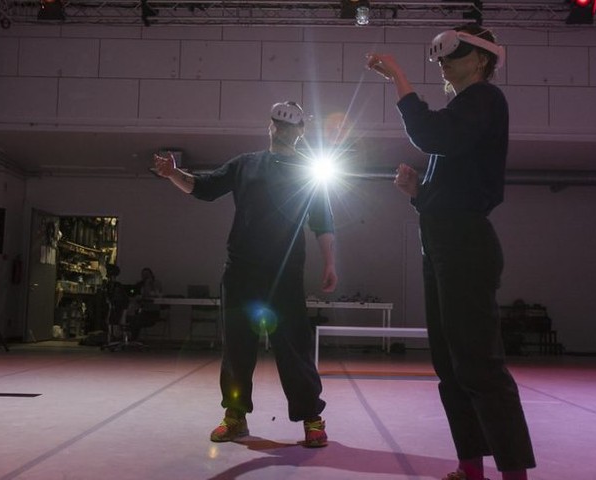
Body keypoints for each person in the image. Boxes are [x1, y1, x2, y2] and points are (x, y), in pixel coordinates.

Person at [366, 25, 536, 480]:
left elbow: (431, 135)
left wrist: (399, 77)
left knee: (479, 365)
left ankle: (513, 473)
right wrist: (417, 192)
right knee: (450, 365)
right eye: (439, 58)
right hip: (441, 242)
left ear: (481, 60)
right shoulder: (463, 111)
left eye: (452, 55)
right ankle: (470, 466)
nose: (443, 63)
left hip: (465, 244)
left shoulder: (485, 100)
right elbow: (448, 182)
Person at [154, 101, 338, 448]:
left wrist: (330, 263)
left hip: (285, 272)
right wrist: (174, 174)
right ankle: (235, 416)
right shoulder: (245, 164)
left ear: (301, 132)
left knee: (293, 346)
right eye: (278, 124)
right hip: (241, 270)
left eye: (290, 126)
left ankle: (311, 418)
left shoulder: (309, 172)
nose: (282, 130)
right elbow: (205, 188)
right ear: (270, 127)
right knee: (238, 346)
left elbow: (322, 221)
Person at [129, 267, 163, 341]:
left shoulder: (156, 283)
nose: (145, 276)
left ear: (151, 275)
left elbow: (155, 295)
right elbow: (133, 293)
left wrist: (148, 284)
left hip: (152, 312)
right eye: (143, 275)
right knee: (131, 318)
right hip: (141, 310)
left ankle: (133, 339)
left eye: (147, 274)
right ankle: (130, 338)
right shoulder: (140, 284)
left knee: (137, 320)